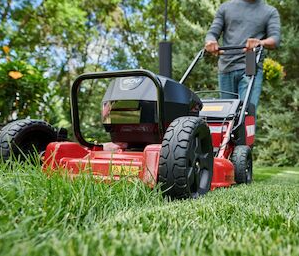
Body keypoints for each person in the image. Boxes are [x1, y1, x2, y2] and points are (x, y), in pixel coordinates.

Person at [205, 0, 280, 113]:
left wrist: (260, 42)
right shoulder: (226, 8)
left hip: (250, 60)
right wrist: (210, 41)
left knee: (245, 113)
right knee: (227, 114)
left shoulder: (269, 11)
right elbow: (212, 33)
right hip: (226, 62)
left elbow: (275, 39)